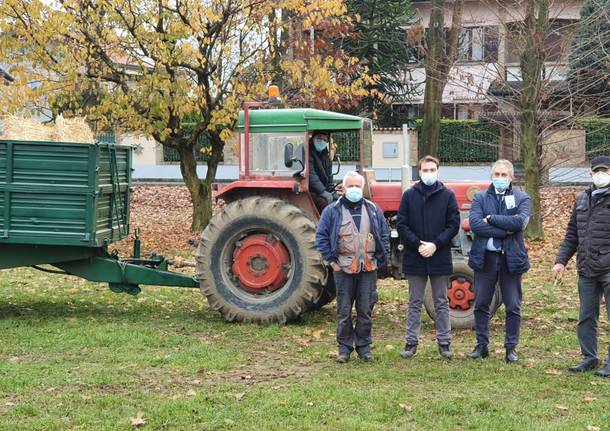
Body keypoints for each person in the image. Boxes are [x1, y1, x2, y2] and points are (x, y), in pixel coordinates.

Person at [315, 171, 389, 363]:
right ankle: (344, 348)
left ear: (362, 188)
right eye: (352, 186)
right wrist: (332, 262)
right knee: (344, 310)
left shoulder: (373, 209)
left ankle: (364, 347)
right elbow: (321, 237)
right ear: (344, 188)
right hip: (343, 269)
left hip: (368, 269)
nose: (355, 189)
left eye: (358, 186)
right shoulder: (332, 211)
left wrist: (380, 260)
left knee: (365, 310)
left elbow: (384, 235)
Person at [396, 155, 460, 359]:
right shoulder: (409, 195)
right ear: (419, 172)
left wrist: (435, 244)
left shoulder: (448, 196)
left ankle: (444, 343)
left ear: (438, 171)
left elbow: (453, 224)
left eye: (432, 170)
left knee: (441, 300)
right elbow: (402, 225)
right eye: (425, 170)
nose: (429, 173)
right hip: (415, 256)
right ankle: (411, 343)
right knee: (414, 301)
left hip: (439, 255)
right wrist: (418, 245)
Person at [468, 159, 531, 363]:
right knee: (481, 303)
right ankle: (482, 345)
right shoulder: (480, 197)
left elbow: (519, 222)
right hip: (485, 258)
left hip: (511, 260)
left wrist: (492, 218)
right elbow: (476, 225)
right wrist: (507, 230)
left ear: (511, 178)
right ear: (492, 176)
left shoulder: (522, 197)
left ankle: (511, 348)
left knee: (513, 305)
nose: (500, 178)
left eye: (504, 175)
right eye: (497, 175)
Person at [553, 155, 610, 377]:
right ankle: (589, 357)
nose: (600, 174)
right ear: (591, 174)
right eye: (597, 171)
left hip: (608, 268)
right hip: (586, 269)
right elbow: (571, 236)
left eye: (605, 170)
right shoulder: (582, 200)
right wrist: (561, 260)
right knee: (586, 316)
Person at [309, 131, 338, 210]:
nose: (321, 141)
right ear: (313, 138)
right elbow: (310, 174)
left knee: (338, 201)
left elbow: (329, 175)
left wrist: (332, 190)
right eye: (319, 138)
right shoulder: (307, 151)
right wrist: (322, 192)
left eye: (324, 140)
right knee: (324, 202)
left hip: (318, 190)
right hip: (308, 190)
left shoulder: (324, 155)